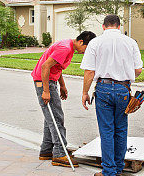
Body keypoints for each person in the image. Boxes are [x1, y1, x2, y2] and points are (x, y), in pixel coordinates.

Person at [80, 14, 143, 176]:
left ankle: (108, 171)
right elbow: (138, 70)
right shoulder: (130, 42)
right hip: (123, 89)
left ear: (103, 26)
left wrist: (85, 92)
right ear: (119, 26)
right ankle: (117, 168)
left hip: (103, 88)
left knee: (107, 131)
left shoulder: (95, 42)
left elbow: (89, 72)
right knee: (121, 130)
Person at [32, 30, 97, 167]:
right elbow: (45, 67)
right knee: (57, 117)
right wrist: (46, 90)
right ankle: (60, 153)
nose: (86, 52)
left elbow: (56, 68)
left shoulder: (69, 47)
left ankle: (46, 150)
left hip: (50, 81)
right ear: (80, 42)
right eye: (86, 48)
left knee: (50, 117)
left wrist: (62, 86)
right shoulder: (65, 48)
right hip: (44, 82)